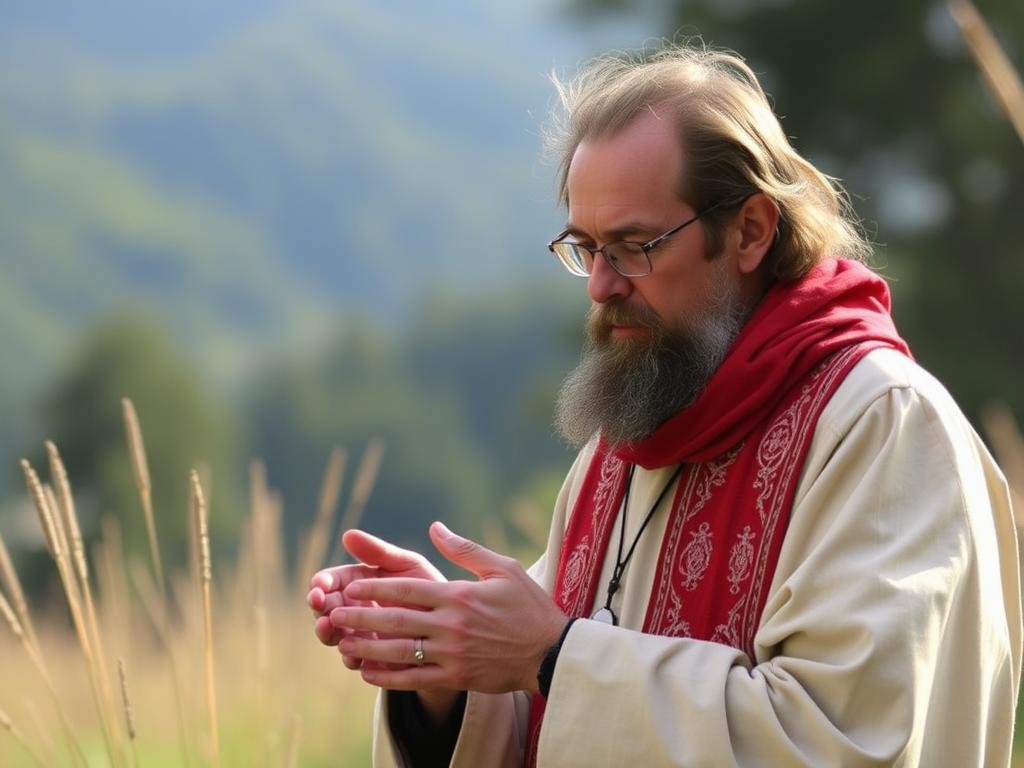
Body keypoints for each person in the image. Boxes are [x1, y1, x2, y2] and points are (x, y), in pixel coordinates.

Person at [307, 44, 1021, 767]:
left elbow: (844, 741)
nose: (600, 286)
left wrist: (555, 656)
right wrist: (448, 658)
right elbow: (551, 711)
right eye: (585, 248)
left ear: (749, 231)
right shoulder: (627, 441)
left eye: (633, 246)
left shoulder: (882, 429)